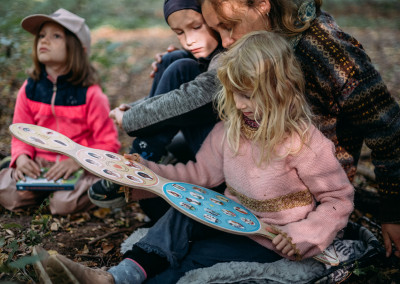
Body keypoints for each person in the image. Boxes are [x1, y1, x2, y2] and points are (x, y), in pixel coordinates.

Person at [33, 31, 354, 284]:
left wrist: (304, 237)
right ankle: (114, 277)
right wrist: (145, 173)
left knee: (197, 256)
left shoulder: (303, 141)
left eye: (249, 94)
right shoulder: (231, 130)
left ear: (281, 89)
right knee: (181, 215)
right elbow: (198, 174)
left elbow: (337, 199)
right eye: (236, 93)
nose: (241, 105)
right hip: (229, 218)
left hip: (269, 239)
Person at [97, 0, 400, 258]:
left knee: (182, 76)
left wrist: (392, 212)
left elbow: (388, 129)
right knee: (179, 64)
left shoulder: (321, 49)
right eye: (217, 30)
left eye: (229, 26)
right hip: (241, 162)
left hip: (290, 193)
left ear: (262, 4)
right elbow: (208, 86)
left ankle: (143, 183)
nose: (226, 40)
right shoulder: (253, 40)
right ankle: (136, 177)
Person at [89, 0, 223, 221]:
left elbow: (197, 94)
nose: (189, 40)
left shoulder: (232, 54)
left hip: (226, 156)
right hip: (204, 144)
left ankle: (139, 159)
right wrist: (137, 107)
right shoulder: (205, 53)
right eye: (179, 32)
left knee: (182, 66)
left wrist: (133, 117)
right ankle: (149, 152)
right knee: (173, 59)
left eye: (196, 27)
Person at [0, 8, 120, 215]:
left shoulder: (91, 94)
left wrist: (77, 161)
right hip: (39, 165)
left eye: (56, 36)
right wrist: (21, 158)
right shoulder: (29, 89)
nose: (44, 41)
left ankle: (105, 191)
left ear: (77, 48)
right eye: (42, 36)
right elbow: (20, 133)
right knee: (11, 195)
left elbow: (108, 143)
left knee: (63, 205)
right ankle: (33, 186)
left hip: (79, 166)